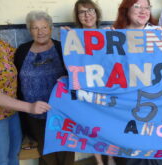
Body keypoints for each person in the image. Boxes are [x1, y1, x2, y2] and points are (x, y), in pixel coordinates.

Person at [14, 10, 74, 165]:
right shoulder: (22, 51)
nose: (40, 32)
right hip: (34, 114)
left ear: (51, 28)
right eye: (35, 28)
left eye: (44, 27)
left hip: (61, 112)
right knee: (45, 151)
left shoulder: (62, 48)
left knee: (65, 149)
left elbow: (77, 73)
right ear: (29, 30)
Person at [112, 0, 162, 164]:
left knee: (152, 151)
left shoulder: (161, 33)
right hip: (125, 105)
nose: (143, 11)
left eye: (147, 7)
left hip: (154, 103)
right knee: (128, 152)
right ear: (126, 10)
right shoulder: (114, 35)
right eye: (137, 6)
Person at [72, 1, 117, 165]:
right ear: (77, 17)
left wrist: (113, 38)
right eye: (82, 12)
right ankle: (98, 160)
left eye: (90, 10)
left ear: (96, 13)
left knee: (109, 124)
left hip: (106, 87)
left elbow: (116, 62)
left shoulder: (106, 34)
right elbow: (70, 63)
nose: (87, 15)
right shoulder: (73, 37)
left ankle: (111, 157)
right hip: (85, 88)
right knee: (89, 125)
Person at [0, 39, 51, 165]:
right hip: (0, 117)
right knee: (1, 159)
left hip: (12, 113)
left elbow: (24, 59)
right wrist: (29, 107)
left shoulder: (1, 44)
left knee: (14, 154)